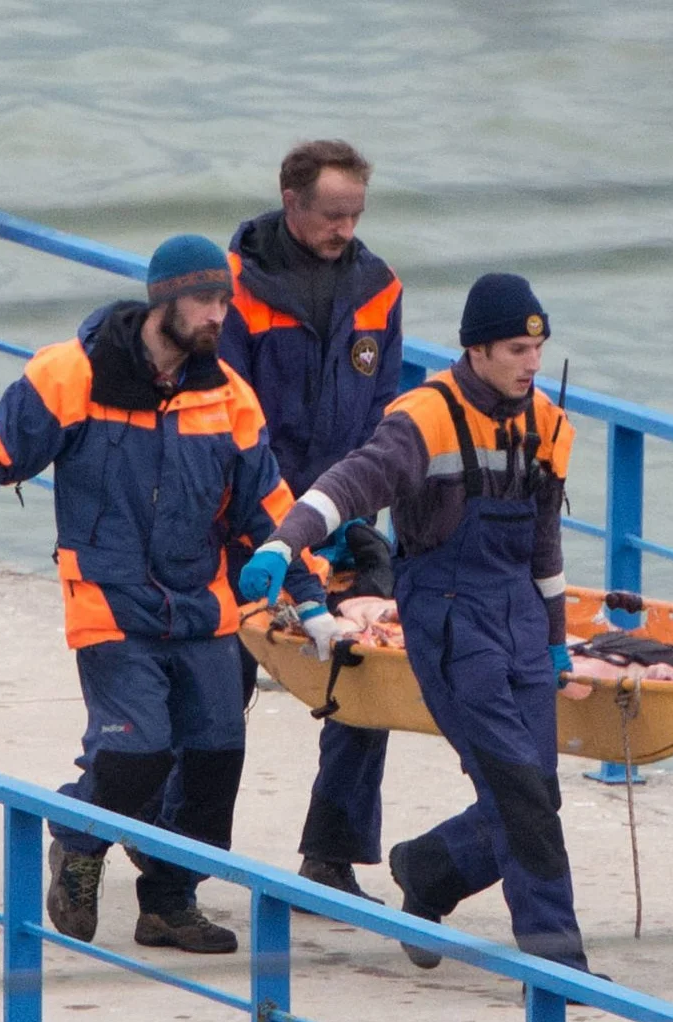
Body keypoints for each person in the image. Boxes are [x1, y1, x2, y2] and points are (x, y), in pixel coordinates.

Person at [0, 235, 323, 954]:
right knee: (137, 751)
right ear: (164, 297)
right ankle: (76, 839)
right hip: (109, 597)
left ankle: (168, 903)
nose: (217, 315)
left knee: (213, 758)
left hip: (203, 604)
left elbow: (270, 506)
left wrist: (310, 596)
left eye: (225, 301)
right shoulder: (73, 374)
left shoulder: (227, 395)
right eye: (204, 299)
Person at [245, 274, 589, 971]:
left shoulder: (547, 423)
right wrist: (286, 541)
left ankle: (428, 870)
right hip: (453, 625)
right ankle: (557, 967)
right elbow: (350, 483)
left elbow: (546, 550)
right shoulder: (422, 419)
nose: (532, 362)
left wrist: (555, 641)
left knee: (536, 791)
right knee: (520, 796)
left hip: (522, 622)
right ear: (478, 350)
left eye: (539, 348)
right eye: (518, 349)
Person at [218, 138, 408, 898]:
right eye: (333, 214)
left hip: (341, 517)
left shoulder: (379, 288)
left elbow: (386, 422)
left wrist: (353, 514)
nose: (345, 229)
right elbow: (225, 421)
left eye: (356, 214)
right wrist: (277, 521)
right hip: (241, 523)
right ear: (291, 202)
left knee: (367, 682)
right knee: (213, 698)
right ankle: (175, 859)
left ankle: (333, 853)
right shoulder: (231, 287)